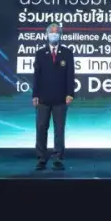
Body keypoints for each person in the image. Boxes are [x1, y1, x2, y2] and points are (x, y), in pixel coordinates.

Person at [32, 23, 75, 170]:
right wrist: (35, 95)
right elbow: (36, 76)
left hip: (61, 98)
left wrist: (70, 93)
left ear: (60, 35)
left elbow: (70, 75)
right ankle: (41, 158)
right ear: (47, 34)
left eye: (56, 32)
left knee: (59, 129)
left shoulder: (67, 53)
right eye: (52, 32)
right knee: (41, 127)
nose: (54, 34)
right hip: (43, 98)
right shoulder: (40, 53)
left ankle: (58, 158)